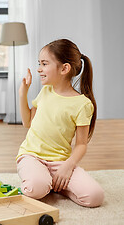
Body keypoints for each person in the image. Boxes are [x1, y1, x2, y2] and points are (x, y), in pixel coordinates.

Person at [17, 39, 104, 207]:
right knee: (35, 188)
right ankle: (47, 182)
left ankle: (54, 183)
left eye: (44, 63)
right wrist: (23, 93)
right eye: (39, 63)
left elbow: (81, 145)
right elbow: (27, 122)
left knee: (95, 197)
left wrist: (67, 167)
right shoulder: (45, 91)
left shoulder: (83, 104)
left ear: (64, 68)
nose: (39, 69)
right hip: (32, 156)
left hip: (60, 162)